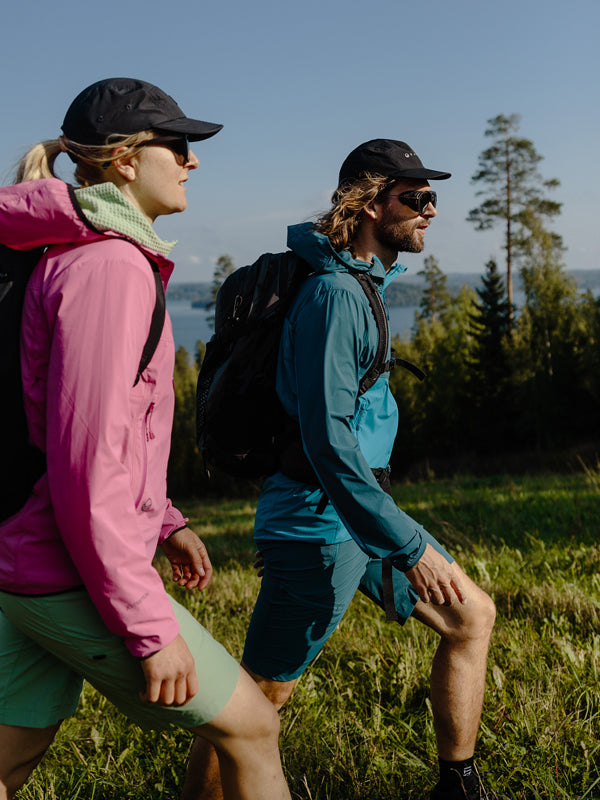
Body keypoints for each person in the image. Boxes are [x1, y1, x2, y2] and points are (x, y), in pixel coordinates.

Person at [0, 78, 291, 800]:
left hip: (26, 553)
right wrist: (149, 626)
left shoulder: (79, 254)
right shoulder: (109, 268)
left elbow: (91, 424)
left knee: (12, 756)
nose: (193, 163)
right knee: (252, 728)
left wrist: (163, 520)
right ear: (126, 160)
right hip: (62, 567)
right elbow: (86, 461)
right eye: (180, 146)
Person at [192, 139, 497, 800]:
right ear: (366, 204)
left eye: (431, 196)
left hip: (363, 517)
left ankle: (459, 784)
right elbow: (326, 441)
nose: (430, 210)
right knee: (256, 705)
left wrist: (394, 534)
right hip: (316, 529)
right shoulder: (334, 296)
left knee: (471, 617)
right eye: (414, 197)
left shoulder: (361, 283)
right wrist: (410, 546)